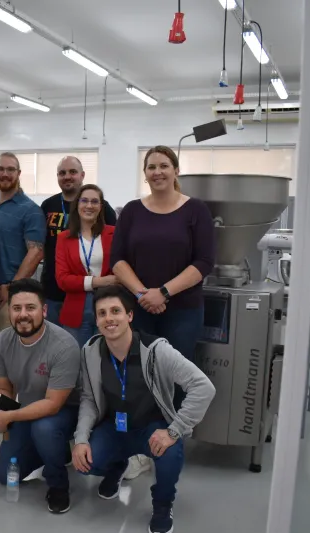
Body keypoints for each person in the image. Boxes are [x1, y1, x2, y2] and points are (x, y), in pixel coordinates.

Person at [72, 284, 215, 533]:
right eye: (102, 313)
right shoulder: (91, 350)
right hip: (115, 425)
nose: (109, 318)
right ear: (96, 320)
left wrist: (174, 430)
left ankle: (162, 504)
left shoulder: (157, 350)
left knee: (170, 456)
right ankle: (118, 467)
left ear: (129, 316)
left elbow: (203, 387)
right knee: (87, 462)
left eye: (115, 311)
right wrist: (81, 438)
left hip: (154, 427)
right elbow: (88, 399)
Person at [110, 145, 215, 480]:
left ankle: (172, 442)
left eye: (164, 166)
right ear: (145, 173)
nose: (158, 172)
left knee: (178, 378)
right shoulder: (131, 212)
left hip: (181, 309)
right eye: (151, 166)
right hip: (140, 309)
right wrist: (143, 294)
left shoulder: (195, 210)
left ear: (176, 171)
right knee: (140, 378)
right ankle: (143, 448)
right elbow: (118, 260)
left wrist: (164, 292)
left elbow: (203, 263)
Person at [0, 279, 81, 515]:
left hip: (65, 412)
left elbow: (52, 404)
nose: (23, 315)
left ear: (44, 311)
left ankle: (58, 484)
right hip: (28, 410)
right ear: (9, 310)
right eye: (16, 308)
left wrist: (11, 415)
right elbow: (4, 389)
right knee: (5, 474)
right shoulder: (1, 341)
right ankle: (57, 450)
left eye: (31, 308)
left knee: (44, 429)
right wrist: (1, 415)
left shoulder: (64, 345)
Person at [0, 152, 46, 417]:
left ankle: (14, 410)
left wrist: (11, 286)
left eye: (10, 170)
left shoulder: (29, 210)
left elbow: (36, 252)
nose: (5, 174)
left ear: (18, 174)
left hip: (11, 295)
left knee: (15, 356)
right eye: (0, 170)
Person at [41, 156, 117, 326]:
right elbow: (40, 245)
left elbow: (116, 249)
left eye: (72, 172)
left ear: (82, 175)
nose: (67, 176)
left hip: (99, 296)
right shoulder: (48, 205)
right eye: (62, 173)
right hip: (54, 291)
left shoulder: (104, 209)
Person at [55, 184, 116, 347]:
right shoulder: (64, 238)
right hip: (76, 310)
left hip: (108, 307)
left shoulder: (114, 234)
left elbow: (121, 272)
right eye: (84, 201)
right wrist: (98, 281)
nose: (89, 206)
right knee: (75, 363)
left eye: (95, 202)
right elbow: (62, 280)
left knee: (105, 362)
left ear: (101, 207)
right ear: (77, 205)